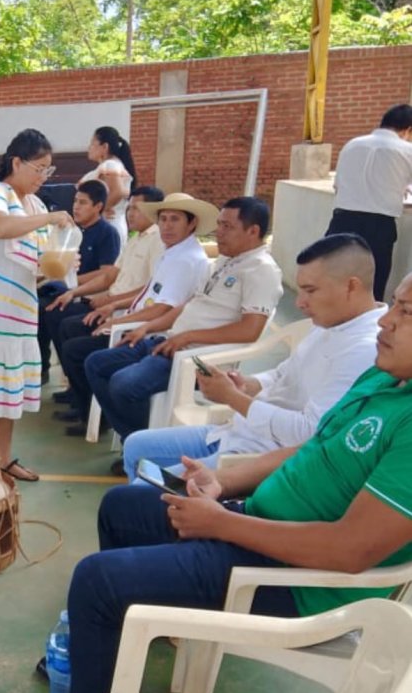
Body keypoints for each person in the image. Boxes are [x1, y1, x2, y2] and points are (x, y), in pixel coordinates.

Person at [0, 271, 412, 693]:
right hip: (257, 524)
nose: (387, 321)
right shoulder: (384, 377)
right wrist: (223, 480)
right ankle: (115, 660)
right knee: (123, 507)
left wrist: (224, 522)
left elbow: (350, 551)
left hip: (297, 583)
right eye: (395, 304)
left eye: (406, 314)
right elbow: (311, 451)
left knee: (97, 582)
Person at [122, 233, 385, 479]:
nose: (299, 302)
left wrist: (233, 398)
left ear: (351, 287)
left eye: (311, 290)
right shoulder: (330, 323)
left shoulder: (363, 349)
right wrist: (249, 384)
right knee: (135, 447)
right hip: (240, 432)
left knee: (135, 498)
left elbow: (309, 433)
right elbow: (284, 373)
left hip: (259, 454)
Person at [84, 197, 283, 460]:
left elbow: (250, 330)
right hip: (169, 342)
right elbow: (186, 306)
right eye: (219, 225)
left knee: (124, 383)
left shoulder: (261, 270)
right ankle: (136, 438)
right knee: (96, 363)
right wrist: (147, 328)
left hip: (198, 358)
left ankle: (143, 449)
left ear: (253, 231)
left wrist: (189, 336)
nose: (218, 232)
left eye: (226, 227)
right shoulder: (223, 262)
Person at [0, 128, 72, 482]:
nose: (44, 177)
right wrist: (51, 219)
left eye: (48, 170)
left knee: (9, 392)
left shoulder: (34, 203)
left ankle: (2, 459)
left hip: (21, 307)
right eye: (39, 168)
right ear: (17, 162)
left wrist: (58, 265)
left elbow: (36, 262)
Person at [55, 192, 217, 435]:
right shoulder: (172, 252)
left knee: (80, 351)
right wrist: (112, 308)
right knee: (69, 328)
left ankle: (122, 430)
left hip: (154, 331)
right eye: (163, 219)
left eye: (175, 219)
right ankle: (90, 409)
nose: (167, 226)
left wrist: (118, 320)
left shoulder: (186, 259)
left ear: (191, 223)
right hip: (137, 321)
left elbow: (163, 309)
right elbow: (150, 291)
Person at [326, 104, 412, 301]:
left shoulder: (353, 144)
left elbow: (338, 186)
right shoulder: (407, 150)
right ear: (408, 130)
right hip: (377, 226)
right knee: (371, 286)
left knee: (335, 279)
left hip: (341, 221)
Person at [38, 179, 121, 382]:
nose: (76, 206)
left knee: (51, 311)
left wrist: (71, 281)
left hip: (89, 295)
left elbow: (106, 273)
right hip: (63, 288)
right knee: (37, 305)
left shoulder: (107, 233)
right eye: (75, 201)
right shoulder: (71, 231)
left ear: (98, 206)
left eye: (83, 202)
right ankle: (42, 369)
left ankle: (71, 379)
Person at [79, 126, 137, 246]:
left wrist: (98, 212)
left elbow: (118, 192)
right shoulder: (110, 166)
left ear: (104, 147)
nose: (89, 148)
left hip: (109, 223)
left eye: (92, 143)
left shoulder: (110, 165)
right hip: (112, 223)